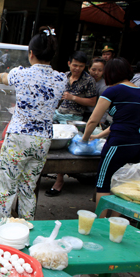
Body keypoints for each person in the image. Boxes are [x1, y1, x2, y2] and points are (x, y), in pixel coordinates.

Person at [0, 27, 67, 219]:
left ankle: (0, 232)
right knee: (28, 188)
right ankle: (26, 229)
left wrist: (1, 76)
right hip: (42, 140)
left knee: (6, 188)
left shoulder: (21, 74)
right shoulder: (61, 78)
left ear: (31, 53)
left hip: (19, 137)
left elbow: (2, 77)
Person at [83, 58, 140, 208]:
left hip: (119, 145)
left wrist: (85, 139)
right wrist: (98, 136)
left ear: (110, 73)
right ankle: (116, 220)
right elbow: (122, 122)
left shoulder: (113, 91)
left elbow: (93, 120)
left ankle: (102, 223)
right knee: (123, 185)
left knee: (104, 184)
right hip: (139, 145)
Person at [46, 51, 98, 196]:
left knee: (63, 149)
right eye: (75, 65)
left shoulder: (89, 81)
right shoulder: (64, 76)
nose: (77, 68)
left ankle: (59, 180)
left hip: (73, 117)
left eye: (81, 66)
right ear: (69, 64)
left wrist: (73, 98)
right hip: (57, 112)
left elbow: (92, 102)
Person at [84, 57, 109, 125]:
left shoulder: (104, 86)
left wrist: (101, 121)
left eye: (100, 70)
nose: (96, 73)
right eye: (94, 69)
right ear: (89, 68)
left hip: (93, 115)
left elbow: (104, 106)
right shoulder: (84, 80)